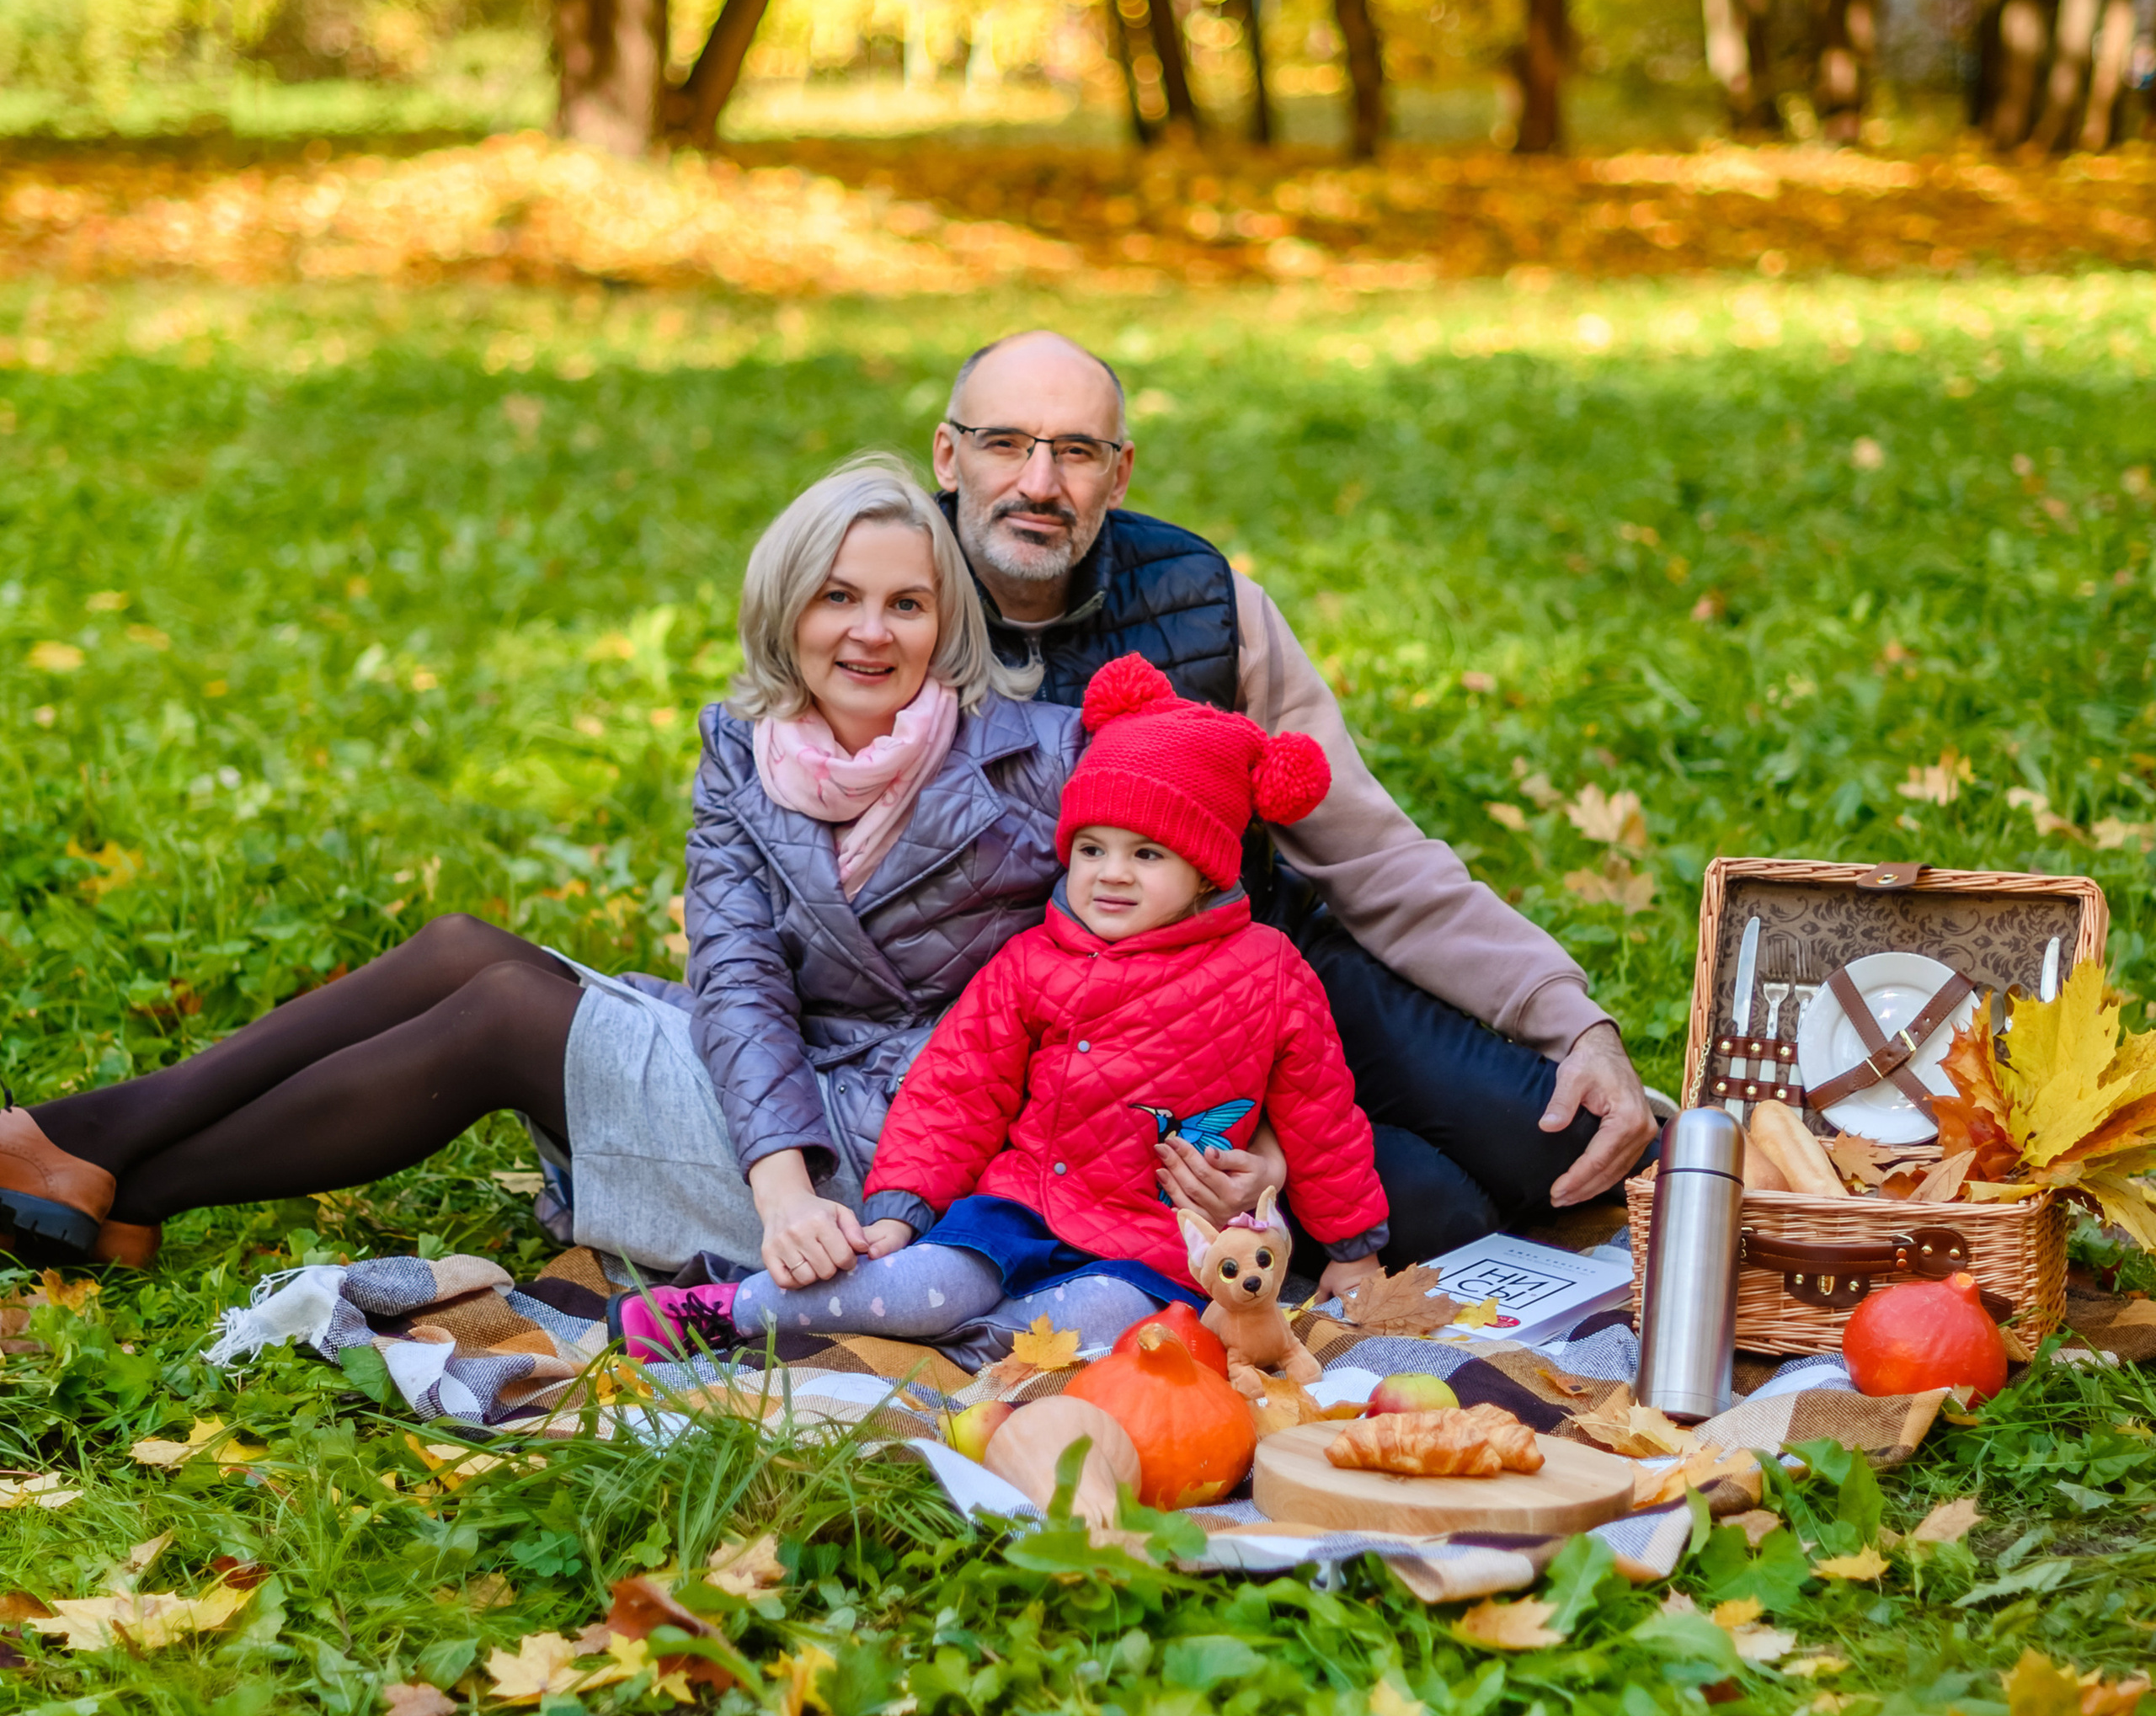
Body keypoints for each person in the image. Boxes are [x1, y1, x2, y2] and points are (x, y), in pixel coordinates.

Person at [0, 461, 1081, 1282]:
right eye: (837, 597)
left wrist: (792, 1201)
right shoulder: (746, 750)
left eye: (906, 604)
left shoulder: (1035, 756)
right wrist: (778, 1179)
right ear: (785, 606)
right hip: (778, 1111)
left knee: (507, 1014)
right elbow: (739, 975)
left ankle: (118, 1170)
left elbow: (1195, 825)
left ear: (945, 625)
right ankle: (102, 1161)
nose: (869, 633)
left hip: (889, 1148)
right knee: (464, 944)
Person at [927, 330, 1660, 1266]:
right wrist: (1267, 1148)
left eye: (1076, 451)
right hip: (1103, 1052)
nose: (1039, 481)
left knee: (1557, 1138)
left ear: (1119, 476)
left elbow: (1367, 849)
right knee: (1440, 1214)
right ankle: (1309, 1191)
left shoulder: (1205, 602)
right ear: (947, 455)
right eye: (1004, 442)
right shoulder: (886, 605)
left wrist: (1575, 1019)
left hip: (1265, 967)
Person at [616, 653, 1388, 1371]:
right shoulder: (1033, 962)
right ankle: (728, 1310)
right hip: (1020, 1209)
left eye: (1146, 855)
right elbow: (955, 1091)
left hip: (1155, 1249)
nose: (1111, 875)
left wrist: (1352, 1251)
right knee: (927, 1285)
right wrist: (901, 1210)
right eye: (1092, 849)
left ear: (1206, 871)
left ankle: (949, 1359)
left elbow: (1322, 1114)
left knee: (1090, 1333)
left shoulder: (1267, 971)